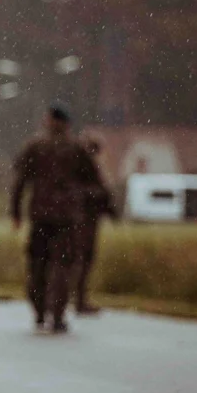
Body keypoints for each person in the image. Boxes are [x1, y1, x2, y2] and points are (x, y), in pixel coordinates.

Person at [10, 104, 99, 333]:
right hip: (67, 217)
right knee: (62, 266)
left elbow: (20, 182)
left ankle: (40, 312)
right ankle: (57, 316)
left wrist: (15, 213)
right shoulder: (76, 148)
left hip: (40, 215)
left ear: (49, 120)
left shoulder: (36, 146)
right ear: (67, 123)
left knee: (38, 265)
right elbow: (94, 181)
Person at [71, 134, 117, 315]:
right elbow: (99, 192)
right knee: (82, 260)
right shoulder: (87, 169)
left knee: (75, 261)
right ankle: (79, 300)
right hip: (85, 221)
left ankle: (72, 299)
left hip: (80, 218)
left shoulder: (78, 168)